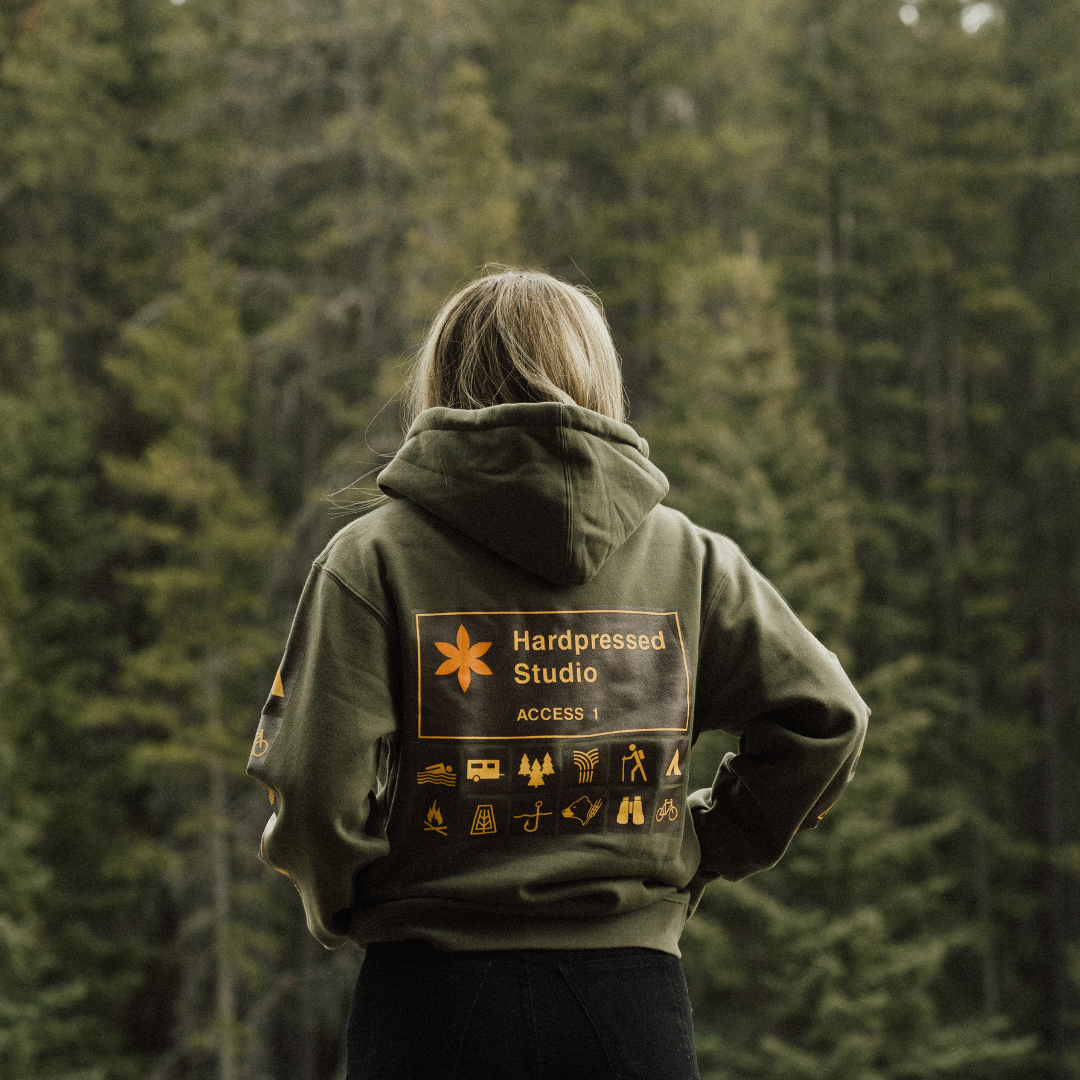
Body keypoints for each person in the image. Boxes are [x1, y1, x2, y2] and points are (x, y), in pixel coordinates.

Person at [247, 269, 869, 1080]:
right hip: (629, 1005)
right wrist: (706, 845)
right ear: (597, 377)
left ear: (443, 382)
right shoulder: (692, 557)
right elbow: (826, 719)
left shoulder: (371, 561)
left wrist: (351, 907)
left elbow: (314, 779)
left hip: (428, 1000)